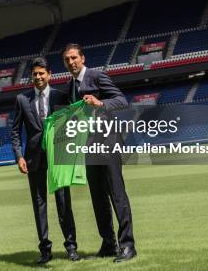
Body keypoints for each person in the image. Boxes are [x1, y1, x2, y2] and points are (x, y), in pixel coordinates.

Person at [63, 43, 137, 263]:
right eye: (67, 59)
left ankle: (128, 246)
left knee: (117, 193)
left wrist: (99, 102)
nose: (71, 62)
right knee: (97, 197)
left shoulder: (97, 76)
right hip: (88, 146)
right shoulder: (70, 86)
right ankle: (108, 243)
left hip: (108, 142)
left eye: (74, 57)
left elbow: (122, 101)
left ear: (82, 58)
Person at [11, 57, 79, 264]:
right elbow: (15, 131)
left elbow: (72, 124)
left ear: (49, 75)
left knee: (63, 202)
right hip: (33, 159)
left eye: (42, 73)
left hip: (58, 156)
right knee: (39, 204)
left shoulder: (61, 96)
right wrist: (18, 156)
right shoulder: (22, 99)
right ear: (31, 76)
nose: (38, 77)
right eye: (35, 74)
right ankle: (45, 250)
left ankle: (71, 247)